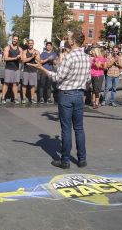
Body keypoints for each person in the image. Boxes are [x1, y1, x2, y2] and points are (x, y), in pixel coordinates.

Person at [28, 31, 91, 169]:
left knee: (66, 129)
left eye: (68, 38)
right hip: (79, 95)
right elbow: (88, 79)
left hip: (67, 95)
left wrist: (41, 68)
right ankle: (82, 159)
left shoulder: (69, 57)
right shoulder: (87, 57)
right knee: (79, 128)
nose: (67, 39)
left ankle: (65, 161)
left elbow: (57, 78)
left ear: (73, 41)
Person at [2, 35, 22, 104]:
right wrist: (15, 58)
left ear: (18, 40)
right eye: (14, 39)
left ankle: (15, 98)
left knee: (15, 84)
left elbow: (21, 61)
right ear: (12, 39)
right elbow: (6, 58)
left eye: (16, 39)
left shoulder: (20, 49)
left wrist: (20, 58)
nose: (15, 40)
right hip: (8, 68)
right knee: (6, 83)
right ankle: (3, 98)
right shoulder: (7, 48)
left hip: (16, 69)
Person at [21, 39, 40, 104]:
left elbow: (39, 61)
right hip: (26, 70)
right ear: (27, 44)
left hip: (33, 70)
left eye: (31, 43)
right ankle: (23, 98)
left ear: (33, 43)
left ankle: (32, 98)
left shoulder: (37, 52)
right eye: (29, 43)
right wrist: (32, 57)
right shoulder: (24, 51)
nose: (30, 44)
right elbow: (23, 60)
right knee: (24, 85)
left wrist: (36, 57)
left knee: (32, 85)